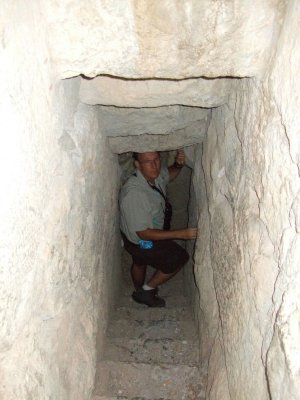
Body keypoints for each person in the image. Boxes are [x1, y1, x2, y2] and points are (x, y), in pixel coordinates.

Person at [119, 150, 198, 307]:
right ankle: (146, 291)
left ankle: (138, 288)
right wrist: (181, 234)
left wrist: (178, 165)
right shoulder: (134, 194)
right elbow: (144, 233)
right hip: (141, 242)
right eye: (148, 162)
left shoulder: (152, 176)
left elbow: (168, 174)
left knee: (139, 261)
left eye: (156, 159)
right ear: (137, 164)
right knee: (179, 257)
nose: (154, 165)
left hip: (133, 237)